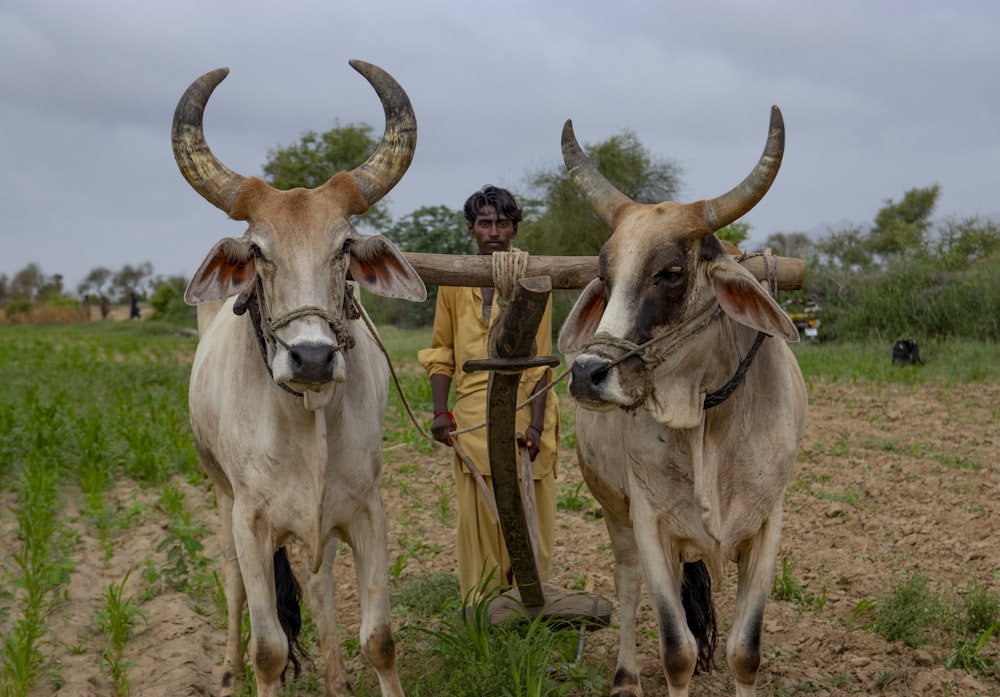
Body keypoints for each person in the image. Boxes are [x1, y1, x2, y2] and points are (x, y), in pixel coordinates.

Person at [418, 185, 559, 603]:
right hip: (472, 423)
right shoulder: (451, 284)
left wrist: (536, 425)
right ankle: (484, 616)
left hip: (524, 420)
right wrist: (440, 411)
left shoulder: (534, 281)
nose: (493, 231)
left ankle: (531, 617)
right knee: (478, 533)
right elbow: (442, 350)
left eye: (502, 223)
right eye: (484, 223)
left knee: (531, 529)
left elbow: (541, 359)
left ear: (513, 229)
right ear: (471, 230)